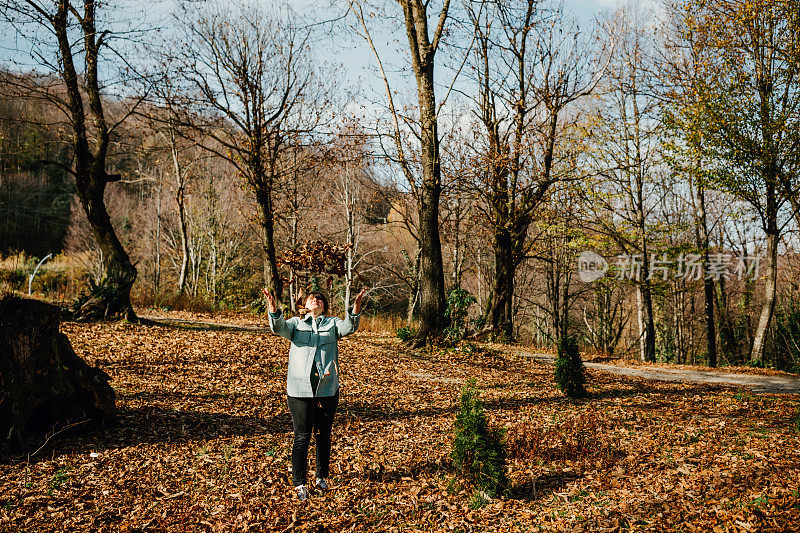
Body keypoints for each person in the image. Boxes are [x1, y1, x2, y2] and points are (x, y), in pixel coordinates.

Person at [262, 286, 367, 502]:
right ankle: (300, 483)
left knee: (323, 435)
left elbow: (349, 326)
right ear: (304, 304)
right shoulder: (295, 323)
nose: (316, 301)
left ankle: (321, 477)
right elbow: (278, 327)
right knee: (302, 437)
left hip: (327, 389)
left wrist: (355, 307)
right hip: (299, 390)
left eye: (319, 299)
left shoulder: (333, 323)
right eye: (311, 298)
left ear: (324, 306)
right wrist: (272, 307)